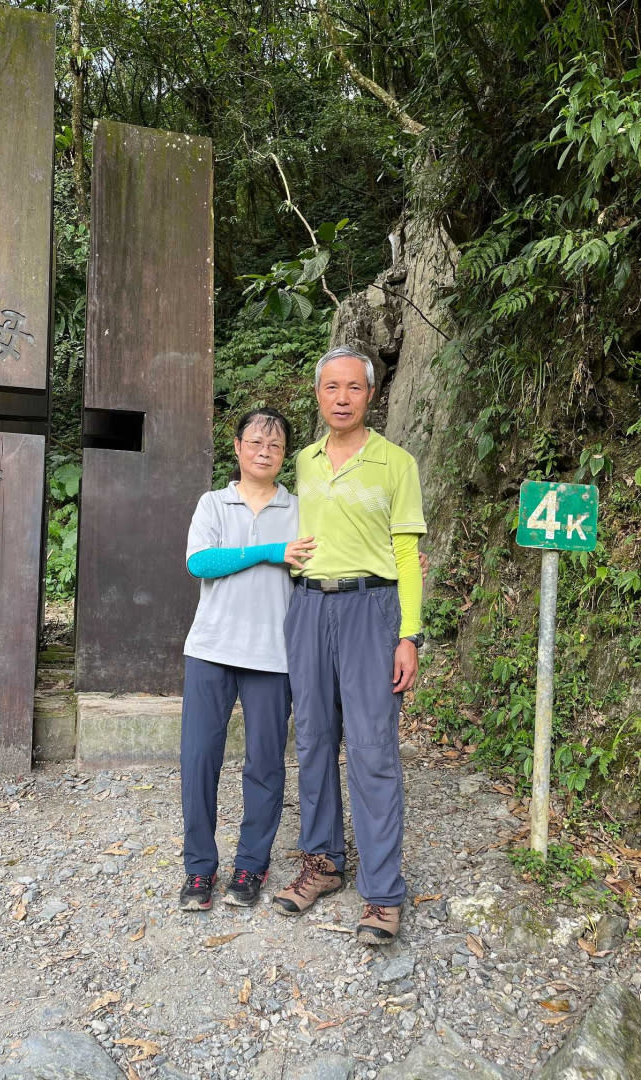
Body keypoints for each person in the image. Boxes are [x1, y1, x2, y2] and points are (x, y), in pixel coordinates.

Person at [272, 345, 426, 945]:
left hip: (371, 609)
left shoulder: (395, 463)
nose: (341, 398)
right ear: (318, 394)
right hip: (308, 606)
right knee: (311, 738)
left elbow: (409, 557)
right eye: (331, 387)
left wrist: (408, 634)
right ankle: (323, 862)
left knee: (371, 746)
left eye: (353, 388)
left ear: (370, 395)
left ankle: (384, 892)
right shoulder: (304, 462)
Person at [178, 407, 316, 912]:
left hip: (272, 655)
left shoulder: (300, 509)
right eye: (255, 442)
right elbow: (200, 562)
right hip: (210, 649)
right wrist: (270, 551)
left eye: (275, 446)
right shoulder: (214, 503)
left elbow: (325, 562)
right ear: (236, 448)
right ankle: (198, 870)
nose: (264, 451)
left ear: (285, 457)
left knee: (265, 765)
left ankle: (250, 866)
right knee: (198, 759)